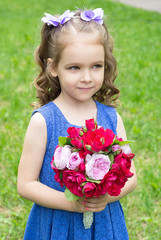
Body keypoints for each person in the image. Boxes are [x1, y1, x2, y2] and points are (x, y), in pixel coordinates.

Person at [17, 8, 137, 240]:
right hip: (57, 224)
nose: (87, 77)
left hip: (103, 223)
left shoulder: (111, 118)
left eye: (96, 66)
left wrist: (105, 197)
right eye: (74, 67)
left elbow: (131, 176)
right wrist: (71, 203)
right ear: (53, 67)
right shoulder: (45, 121)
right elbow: (26, 184)